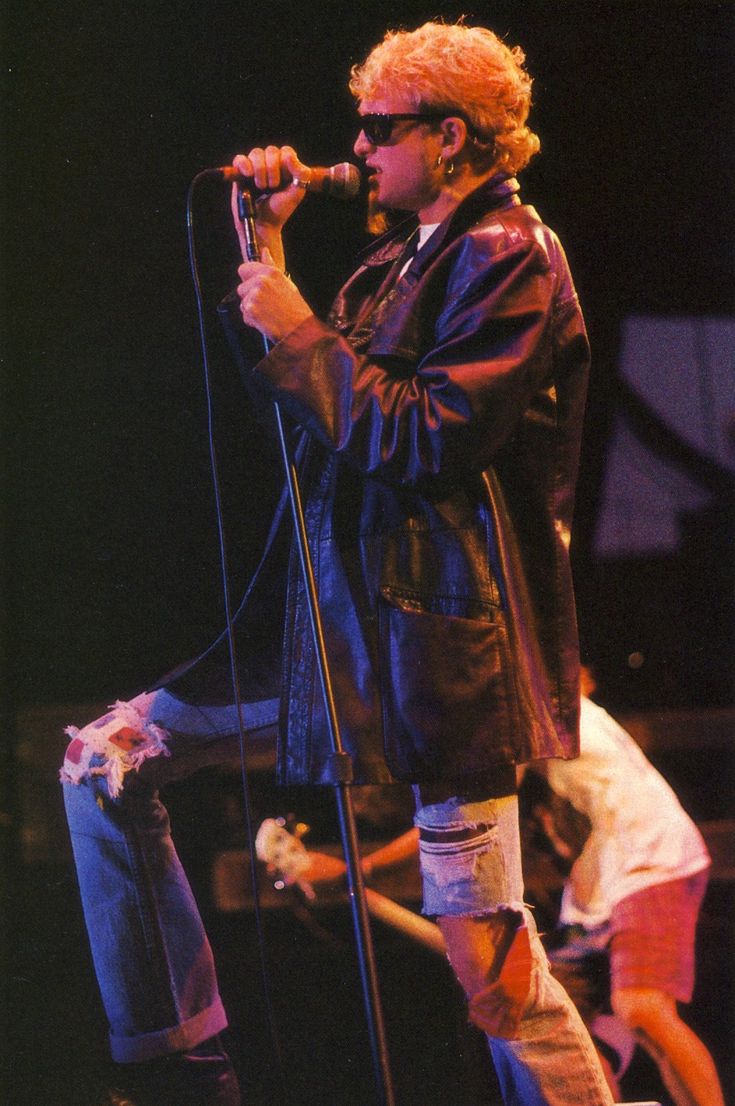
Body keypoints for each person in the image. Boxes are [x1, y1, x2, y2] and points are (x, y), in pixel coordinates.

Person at [61, 20, 615, 1106]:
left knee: (491, 973)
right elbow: (305, 406)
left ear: (450, 137)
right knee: (107, 759)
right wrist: (260, 252)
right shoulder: (396, 259)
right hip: (340, 637)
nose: (355, 151)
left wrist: (303, 327)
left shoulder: (511, 258)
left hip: (441, 657)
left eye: (378, 130)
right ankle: (183, 1067)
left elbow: (421, 436)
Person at [521, 670, 725, 1106]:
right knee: (560, 1017)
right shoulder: (571, 717)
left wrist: (368, 866)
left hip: (650, 858)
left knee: (643, 1008)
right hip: (606, 881)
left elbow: (459, 819)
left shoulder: (550, 715)